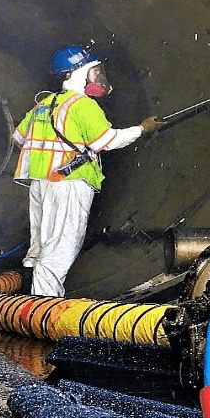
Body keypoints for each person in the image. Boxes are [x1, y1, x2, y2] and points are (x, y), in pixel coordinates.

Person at [11, 45, 164, 297]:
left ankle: (23, 300)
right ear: (76, 73)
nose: (99, 76)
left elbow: (17, 138)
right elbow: (108, 141)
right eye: (94, 70)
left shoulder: (44, 104)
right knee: (59, 250)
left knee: (39, 247)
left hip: (40, 183)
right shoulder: (82, 105)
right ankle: (42, 313)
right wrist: (143, 129)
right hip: (69, 184)